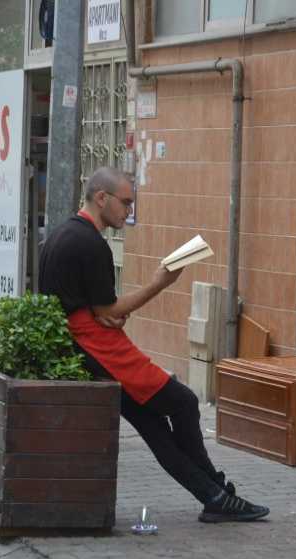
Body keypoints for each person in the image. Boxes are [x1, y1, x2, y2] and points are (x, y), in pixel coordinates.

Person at [39, 167, 269, 523]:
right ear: (102, 198)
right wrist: (160, 282)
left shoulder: (61, 235)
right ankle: (215, 491)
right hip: (99, 351)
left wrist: (105, 315)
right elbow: (106, 309)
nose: (128, 212)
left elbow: (89, 307)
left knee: (155, 426)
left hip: (83, 348)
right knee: (184, 402)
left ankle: (216, 494)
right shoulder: (90, 244)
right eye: (125, 203)